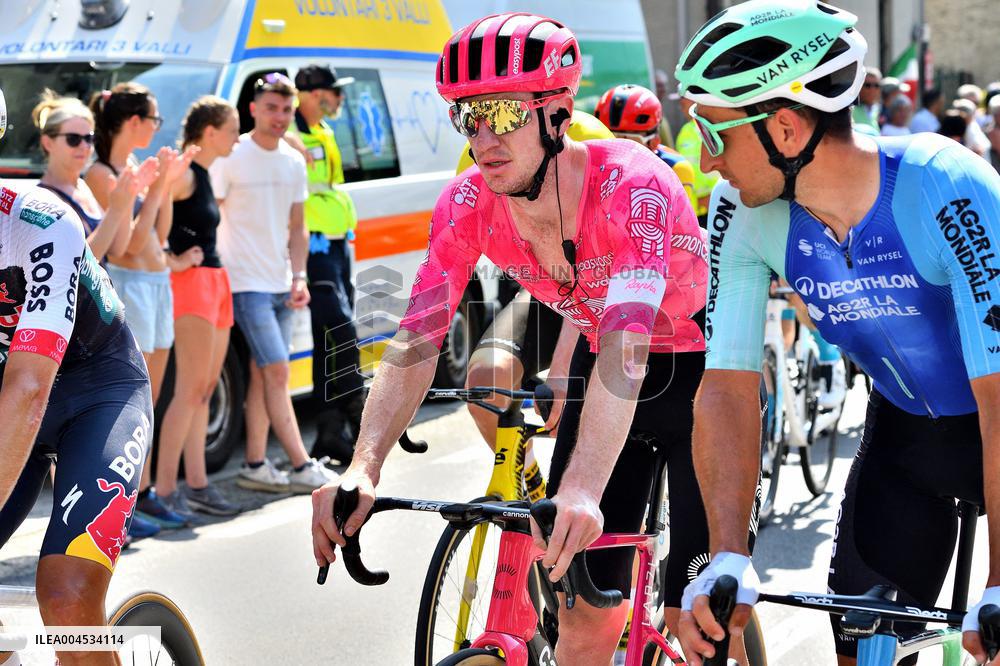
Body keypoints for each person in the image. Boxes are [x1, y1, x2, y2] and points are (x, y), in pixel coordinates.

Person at [312, 14, 750, 666]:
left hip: (697, 383)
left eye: (501, 113)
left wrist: (578, 488)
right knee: (582, 627)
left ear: (557, 113)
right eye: (467, 118)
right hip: (611, 389)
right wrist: (364, 463)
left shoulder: (633, 185)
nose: (482, 138)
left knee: (703, 626)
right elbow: (417, 339)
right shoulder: (466, 205)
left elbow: (627, 345)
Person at [672, 2, 1000, 666]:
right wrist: (727, 550)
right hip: (909, 442)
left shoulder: (946, 184)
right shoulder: (742, 212)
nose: (707, 162)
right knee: (860, 647)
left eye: (714, 132)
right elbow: (727, 388)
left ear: (785, 128)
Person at [0, 85, 155, 665]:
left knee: (66, 601)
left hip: (97, 392)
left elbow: (30, 385)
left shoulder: (39, 221)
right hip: (9, 401)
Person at [31, 91, 164, 541]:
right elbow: (76, 264)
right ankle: (76, 526)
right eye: (73, 139)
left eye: (89, 138)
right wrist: (122, 204)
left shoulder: (83, 188)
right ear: (47, 142)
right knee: (61, 439)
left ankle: (105, 513)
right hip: (62, 328)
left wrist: (132, 199)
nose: (85, 147)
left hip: (95, 327)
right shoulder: (43, 197)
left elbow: (121, 246)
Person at [210, 72, 336, 493]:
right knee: (278, 371)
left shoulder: (293, 160)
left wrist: (298, 276)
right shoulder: (231, 155)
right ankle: (301, 465)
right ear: (253, 109)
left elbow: (297, 226)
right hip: (245, 284)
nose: (280, 116)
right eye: (271, 108)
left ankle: (255, 463)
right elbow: (212, 215)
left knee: (265, 374)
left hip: (282, 282)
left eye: (286, 109)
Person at [85, 83, 198, 528]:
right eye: (153, 119)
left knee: (150, 399)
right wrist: (152, 191)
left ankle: (145, 492)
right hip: (130, 283)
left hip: (156, 282)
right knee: (133, 399)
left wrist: (163, 187)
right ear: (134, 122)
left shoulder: (132, 166)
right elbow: (129, 244)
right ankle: (123, 502)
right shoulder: (100, 172)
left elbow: (161, 233)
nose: (156, 128)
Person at [154, 96, 243, 517]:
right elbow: (149, 211)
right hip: (190, 284)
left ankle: (198, 485)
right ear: (210, 133)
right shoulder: (185, 174)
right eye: (232, 129)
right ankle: (165, 490)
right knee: (188, 390)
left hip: (214, 281)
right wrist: (169, 258)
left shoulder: (203, 173)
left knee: (205, 389)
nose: (238, 138)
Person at [291, 65, 365, 466]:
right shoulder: (293, 133)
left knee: (328, 342)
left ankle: (329, 431)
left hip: (336, 245)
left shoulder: (324, 131)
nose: (339, 99)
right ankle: (358, 413)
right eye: (335, 92)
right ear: (314, 93)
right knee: (342, 332)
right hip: (314, 244)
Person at [594, 83, 698, 211]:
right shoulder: (593, 164)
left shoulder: (675, 169)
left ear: (654, 141)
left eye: (626, 141)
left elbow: (677, 227)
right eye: (610, 139)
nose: (617, 150)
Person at [676, 96, 720, 224]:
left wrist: (710, 197)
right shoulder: (685, 130)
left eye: (684, 97)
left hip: (716, 203)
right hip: (696, 210)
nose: (681, 102)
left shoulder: (712, 125)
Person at [852, 66, 882, 131]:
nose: (872, 90)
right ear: (859, 87)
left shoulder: (877, 110)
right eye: (868, 85)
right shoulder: (850, 110)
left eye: (876, 85)